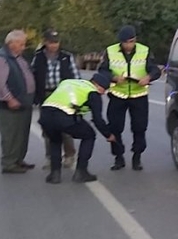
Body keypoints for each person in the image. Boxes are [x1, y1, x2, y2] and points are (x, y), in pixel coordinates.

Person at [98, 25, 161, 171]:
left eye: (131, 41)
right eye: (125, 42)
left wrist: (149, 77)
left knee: (139, 127)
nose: (128, 45)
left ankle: (137, 157)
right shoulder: (110, 51)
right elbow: (102, 70)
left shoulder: (144, 50)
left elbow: (155, 69)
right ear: (120, 42)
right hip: (118, 94)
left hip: (139, 94)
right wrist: (113, 78)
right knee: (115, 127)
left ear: (135, 40)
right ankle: (118, 157)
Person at [38, 71, 116, 184]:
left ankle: (55, 174)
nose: (103, 93)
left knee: (55, 141)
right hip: (64, 117)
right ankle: (81, 172)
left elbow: (69, 101)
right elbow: (98, 120)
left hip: (45, 115)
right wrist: (108, 135)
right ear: (98, 85)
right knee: (89, 135)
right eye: (104, 90)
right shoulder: (92, 93)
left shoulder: (68, 82)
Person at [32, 28, 80, 169]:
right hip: (46, 96)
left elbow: (76, 77)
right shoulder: (39, 57)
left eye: (56, 42)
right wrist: (35, 96)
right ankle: (51, 157)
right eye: (51, 42)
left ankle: (69, 156)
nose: (54, 45)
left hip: (63, 96)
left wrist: (75, 97)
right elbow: (34, 76)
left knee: (65, 128)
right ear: (45, 42)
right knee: (48, 128)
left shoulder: (67, 57)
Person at [0, 30, 36, 174]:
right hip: (10, 104)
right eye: (21, 44)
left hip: (24, 102)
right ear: (11, 43)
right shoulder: (3, 58)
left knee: (22, 133)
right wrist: (9, 98)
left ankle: (18, 159)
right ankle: (9, 162)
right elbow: (1, 83)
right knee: (11, 134)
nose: (23, 46)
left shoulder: (19, 58)